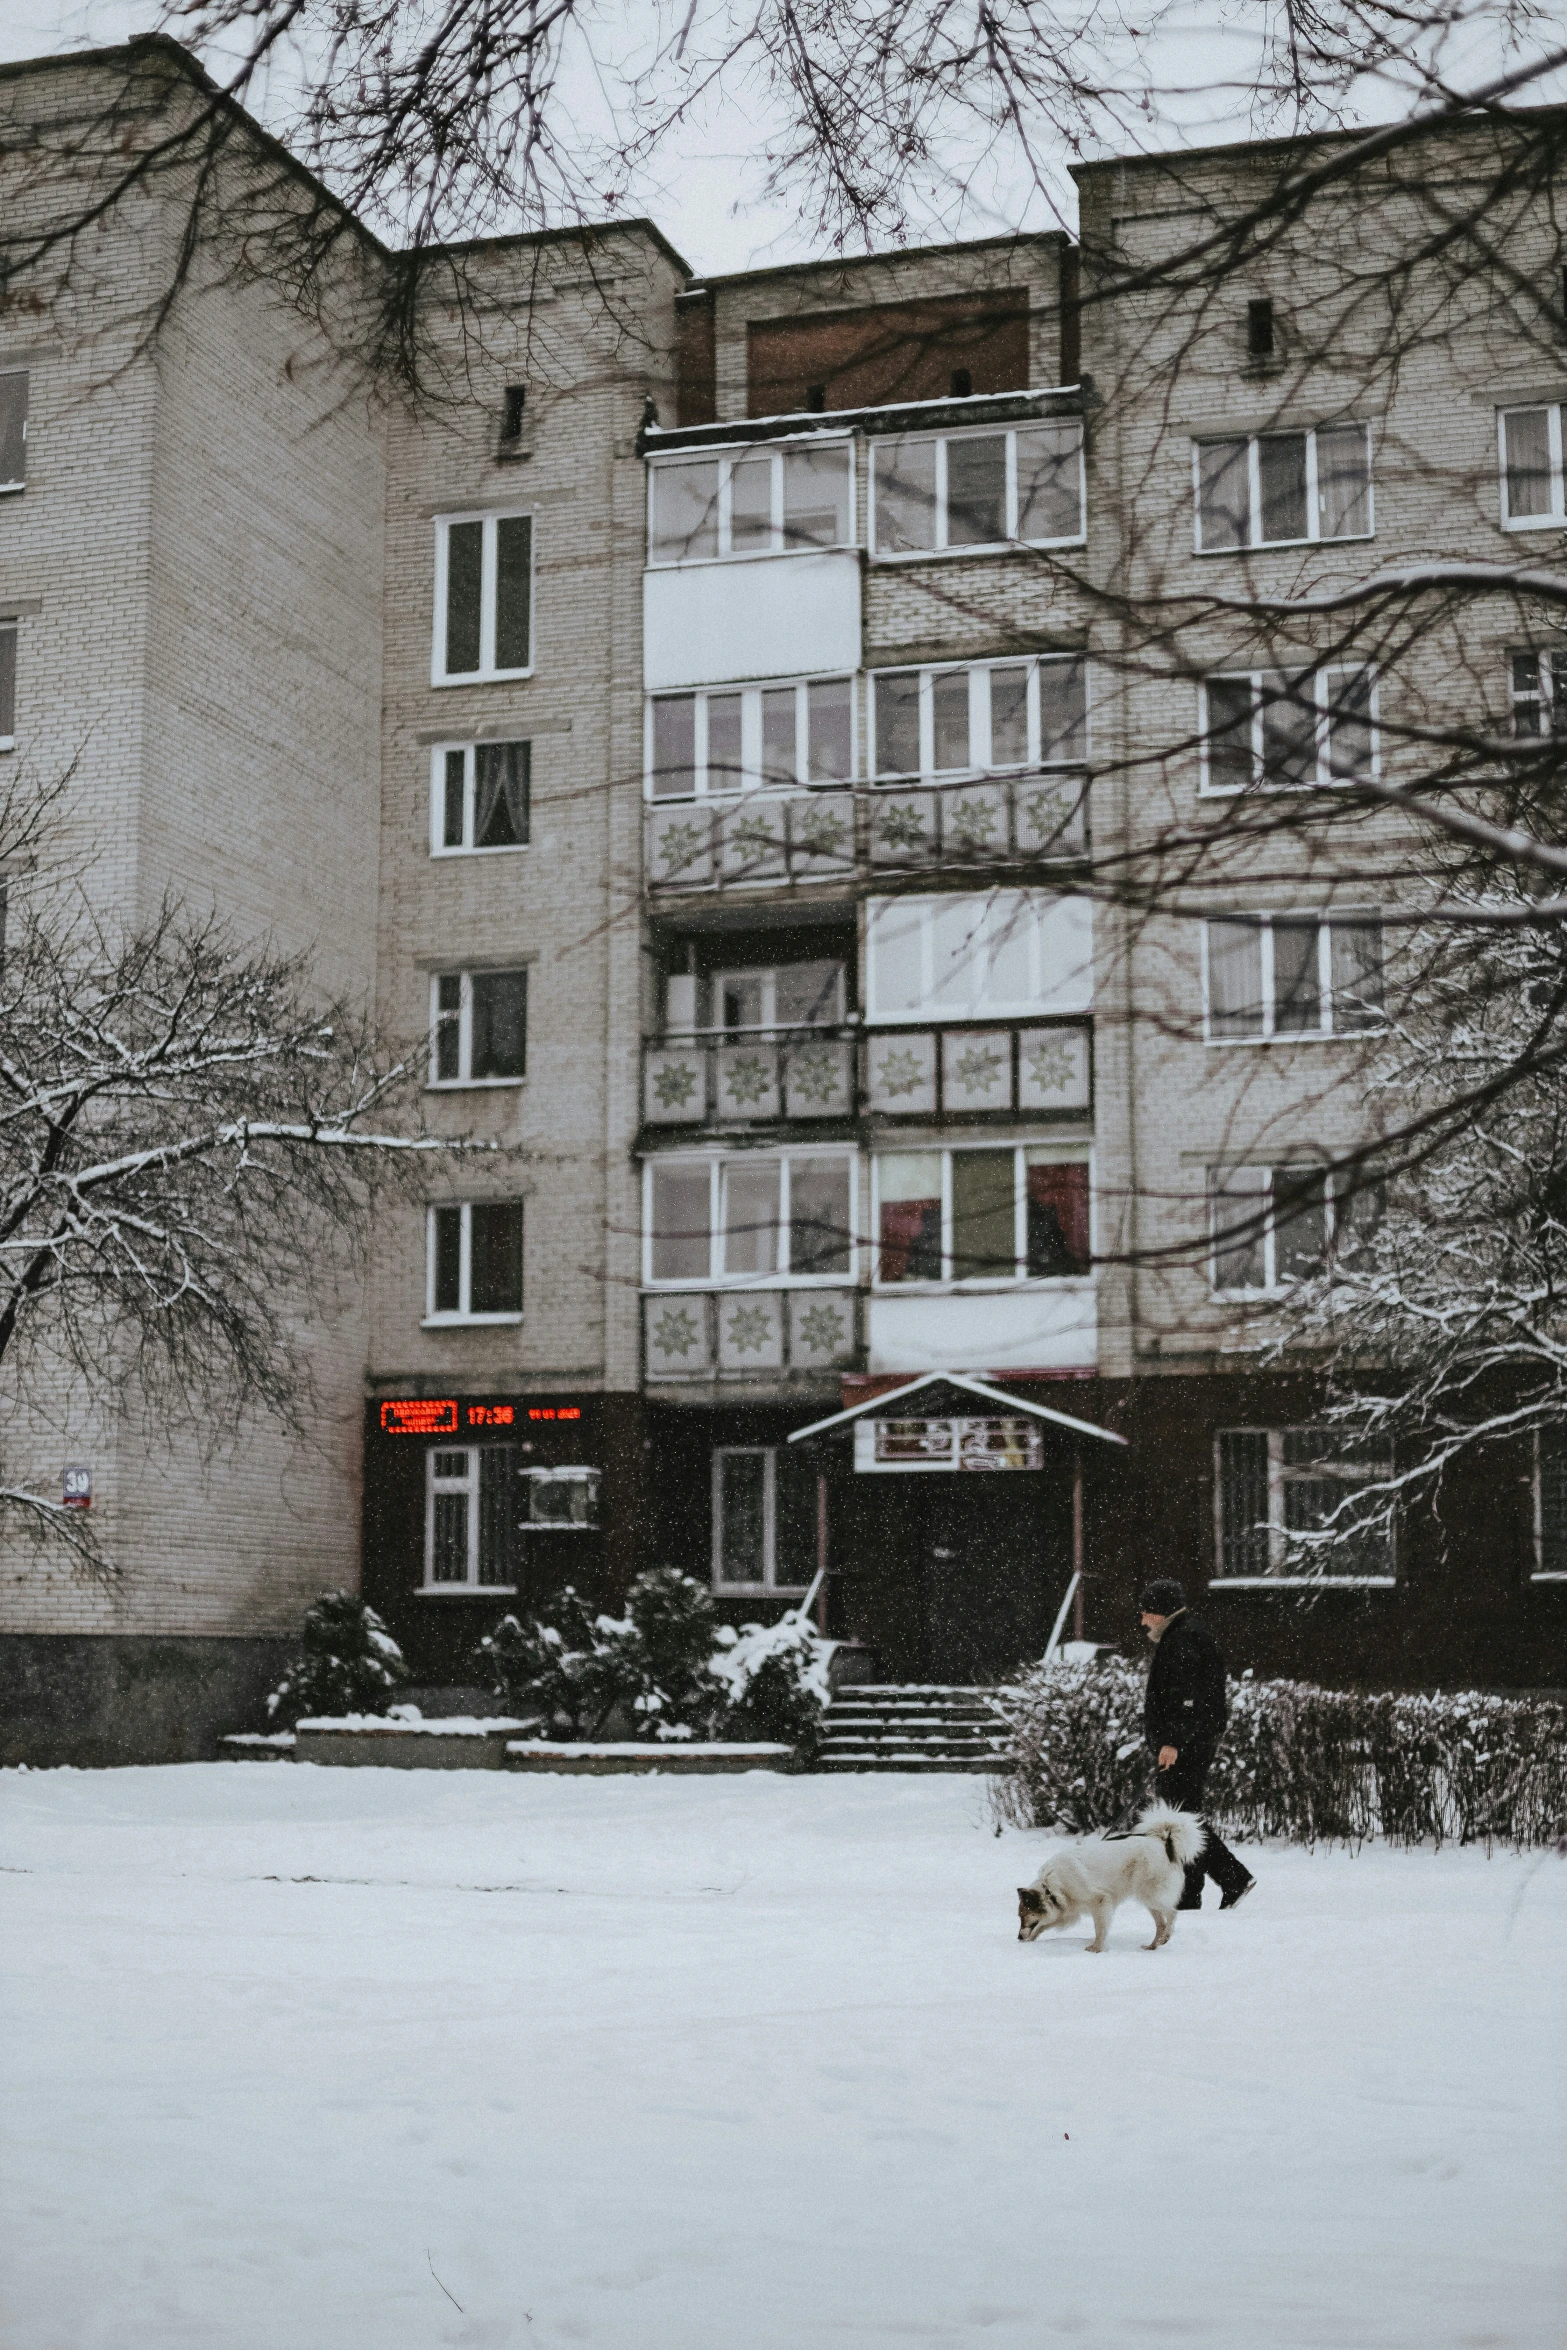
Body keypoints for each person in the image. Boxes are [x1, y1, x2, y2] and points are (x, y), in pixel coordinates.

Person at [1139, 1578, 1256, 1910]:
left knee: (1181, 1821)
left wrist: (1172, 1741)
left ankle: (1202, 1888)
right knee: (1184, 1818)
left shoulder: (1184, 1639)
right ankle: (1211, 1883)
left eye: (1147, 1612)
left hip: (1185, 1746)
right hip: (1190, 1742)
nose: (1143, 1620)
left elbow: (1189, 1698)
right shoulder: (1185, 1635)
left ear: (1162, 1612)